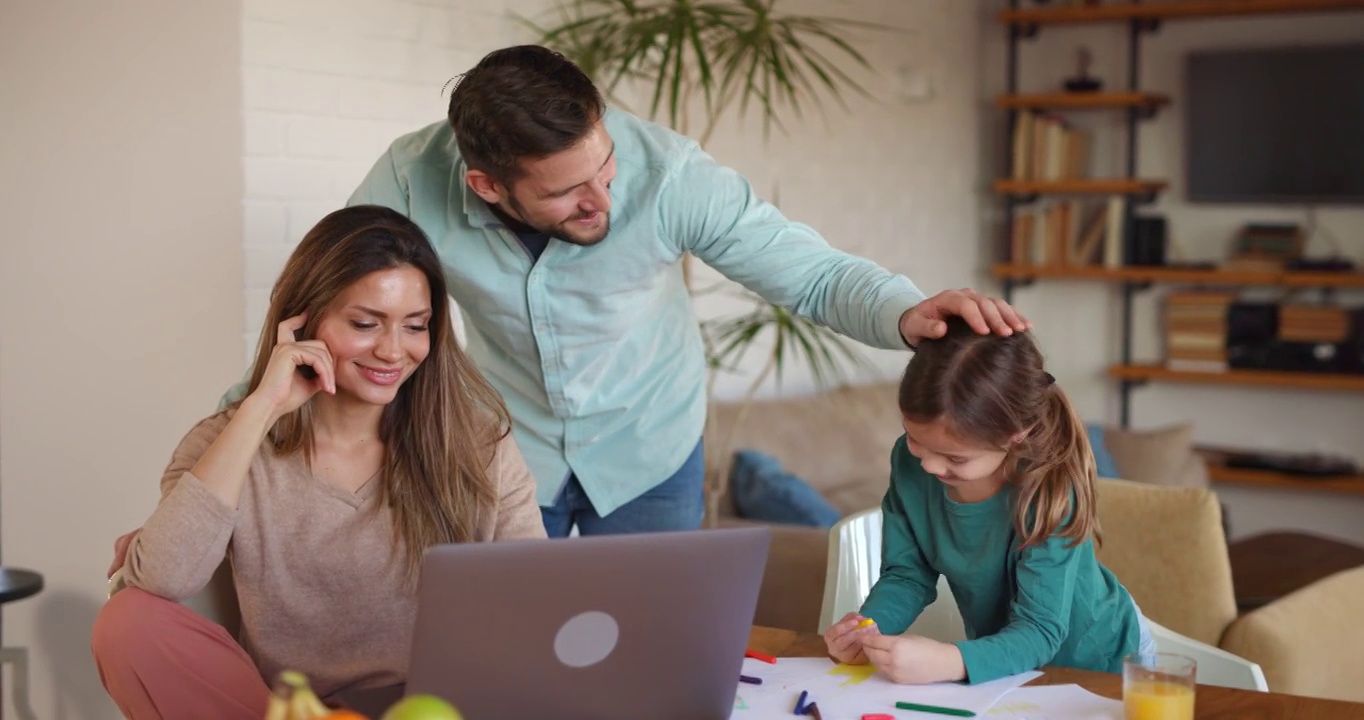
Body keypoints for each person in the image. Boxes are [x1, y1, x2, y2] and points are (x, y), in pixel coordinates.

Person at [343, 44, 1031, 538]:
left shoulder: (670, 175)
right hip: (501, 445)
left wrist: (905, 311)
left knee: (653, 659)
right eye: (568, 192)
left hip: (651, 446)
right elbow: (330, 295)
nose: (602, 200)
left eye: (605, 167)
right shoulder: (409, 178)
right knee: (508, 655)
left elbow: (810, 271)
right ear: (488, 186)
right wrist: (261, 410)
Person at [92, 206, 546, 719]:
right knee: (127, 622)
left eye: (415, 326)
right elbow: (163, 581)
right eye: (365, 323)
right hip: (294, 711)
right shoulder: (226, 441)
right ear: (304, 319)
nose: (394, 351)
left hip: (437, 708)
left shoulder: (478, 444)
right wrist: (262, 408)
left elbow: (534, 599)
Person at [822, 318, 1155, 685]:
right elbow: (907, 574)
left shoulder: (1049, 488)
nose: (929, 465)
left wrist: (950, 660)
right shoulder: (909, 462)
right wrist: (867, 630)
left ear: (1016, 435)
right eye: (915, 439)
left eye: (956, 458)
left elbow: (1040, 629)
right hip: (1009, 666)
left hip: (1100, 664)